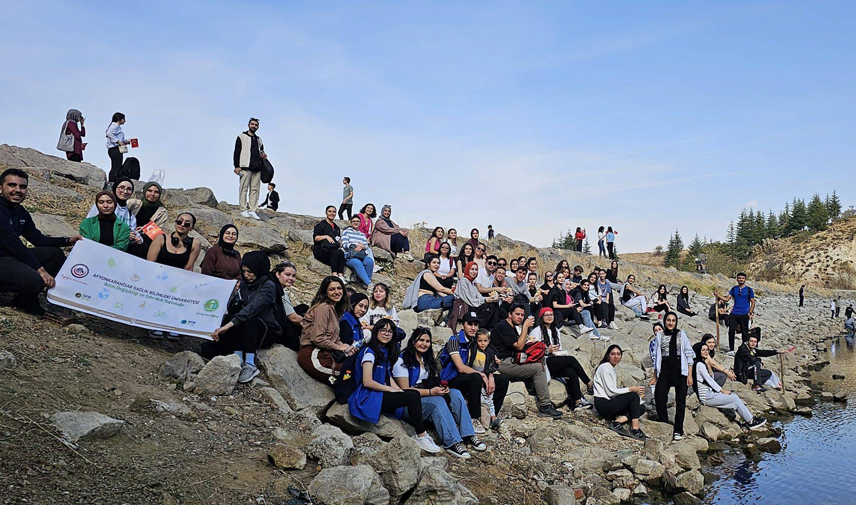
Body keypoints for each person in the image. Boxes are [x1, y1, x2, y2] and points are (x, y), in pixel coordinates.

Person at [348, 319, 442, 454]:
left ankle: (422, 434)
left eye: (390, 331)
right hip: (367, 396)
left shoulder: (384, 351)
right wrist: (390, 389)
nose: (386, 334)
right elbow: (367, 381)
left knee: (412, 393)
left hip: (378, 394)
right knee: (412, 397)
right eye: (383, 330)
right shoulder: (369, 352)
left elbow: (387, 375)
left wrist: (398, 389)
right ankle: (420, 435)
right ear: (376, 332)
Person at [393, 327, 486, 458]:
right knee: (437, 401)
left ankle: (468, 434)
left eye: (427, 341)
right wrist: (431, 392)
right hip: (408, 404)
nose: (424, 344)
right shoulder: (402, 360)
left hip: (425, 395)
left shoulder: (426, 359)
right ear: (413, 341)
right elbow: (404, 389)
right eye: (421, 340)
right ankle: (452, 442)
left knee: (455, 393)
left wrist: (441, 389)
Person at [0, 169, 81, 315]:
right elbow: (15, 245)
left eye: (22, 187)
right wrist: (41, 271)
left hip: (10, 257)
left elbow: (37, 238)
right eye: (12, 185)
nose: (18, 190)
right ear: (1, 188)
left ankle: (24, 299)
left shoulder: (20, 211)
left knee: (54, 254)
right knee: (35, 280)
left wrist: (68, 241)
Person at [211, 251, 281, 383]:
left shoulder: (268, 286)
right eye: (244, 271)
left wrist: (228, 326)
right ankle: (238, 358)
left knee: (248, 321)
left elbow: (253, 308)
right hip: (243, 325)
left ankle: (250, 363)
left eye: (250, 271)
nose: (247, 275)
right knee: (234, 319)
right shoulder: (244, 284)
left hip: (264, 326)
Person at [439, 312, 510, 432]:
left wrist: (491, 375)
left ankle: (493, 417)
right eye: (470, 324)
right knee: (476, 378)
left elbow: (487, 359)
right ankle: (474, 418)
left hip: (469, 376)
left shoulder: (475, 341)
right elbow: (460, 367)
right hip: (452, 379)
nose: (473, 328)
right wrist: (482, 375)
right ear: (463, 325)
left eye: (475, 324)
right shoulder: (454, 340)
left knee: (503, 380)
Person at [491, 304, 563, 418]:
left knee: (540, 357)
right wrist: (525, 327)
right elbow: (519, 346)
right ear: (510, 315)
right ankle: (545, 406)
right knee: (538, 368)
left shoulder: (512, 326)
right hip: (502, 362)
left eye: (522, 315)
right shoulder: (503, 326)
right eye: (517, 314)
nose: (520, 317)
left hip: (512, 359)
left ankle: (533, 387)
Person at [529, 308, 594, 410]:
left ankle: (577, 402)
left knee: (571, 371)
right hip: (543, 362)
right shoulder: (536, 331)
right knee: (571, 360)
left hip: (555, 359)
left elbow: (559, 348)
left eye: (551, 315)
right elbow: (532, 352)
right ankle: (589, 384)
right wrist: (547, 351)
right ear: (542, 317)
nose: (550, 317)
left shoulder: (555, 331)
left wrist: (557, 351)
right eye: (547, 315)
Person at [694, 342, 767, 430]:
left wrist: (709, 366)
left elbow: (711, 377)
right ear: (698, 351)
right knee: (734, 398)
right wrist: (722, 390)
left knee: (733, 397)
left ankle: (749, 419)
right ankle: (751, 421)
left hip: (710, 393)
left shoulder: (702, 363)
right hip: (706, 396)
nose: (706, 352)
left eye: (707, 350)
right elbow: (710, 381)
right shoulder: (699, 365)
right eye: (703, 350)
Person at [298, 276, 353, 384]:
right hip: (314, 356)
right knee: (352, 373)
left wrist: (346, 348)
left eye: (339, 288)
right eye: (332, 289)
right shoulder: (323, 308)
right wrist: (338, 347)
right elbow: (317, 338)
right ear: (325, 292)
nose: (337, 292)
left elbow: (334, 338)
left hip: (325, 354)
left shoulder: (334, 310)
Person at [651, 312, 695, 441]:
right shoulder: (660, 335)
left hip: (679, 367)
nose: (670, 323)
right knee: (659, 396)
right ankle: (664, 423)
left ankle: (678, 429)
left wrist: (690, 374)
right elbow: (655, 357)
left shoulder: (682, 335)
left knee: (680, 400)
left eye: (673, 320)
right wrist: (655, 376)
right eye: (668, 320)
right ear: (665, 321)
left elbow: (688, 354)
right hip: (664, 367)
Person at [593, 345, 647, 440]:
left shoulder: (611, 368)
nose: (616, 357)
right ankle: (635, 429)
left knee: (641, 407)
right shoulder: (605, 367)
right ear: (608, 355)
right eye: (613, 354)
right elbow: (610, 392)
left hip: (609, 402)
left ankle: (617, 422)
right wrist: (631, 389)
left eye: (618, 354)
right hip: (603, 404)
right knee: (633, 396)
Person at [86, 178, 143, 250]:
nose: (125, 191)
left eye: (129, 189)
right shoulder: (102, 205)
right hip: (97, 246)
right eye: (122, 188)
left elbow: (132, 231)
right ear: (115, 188)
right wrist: (124, 235)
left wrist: (138, 238)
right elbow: (90, 226)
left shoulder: (130, 214)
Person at [467, 328, 503, 430]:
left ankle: (493, 418)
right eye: (480, 341)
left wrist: (495, 364)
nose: (483, 343)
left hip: (485, 377)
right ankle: (483, 419)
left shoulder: (490, 353)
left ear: (489, 341)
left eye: (485, 341)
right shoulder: (473, 350)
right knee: (484, 399)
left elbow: (490, 368)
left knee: (489, 398)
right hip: (475, 377)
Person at [233, 118, 266, 220]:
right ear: (248, 125)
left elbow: (262, 151)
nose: (254, 126)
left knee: (255, 189)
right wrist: (236, 166)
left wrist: (263, 155)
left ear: (258, 127)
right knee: (244, 188)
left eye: (256, 125)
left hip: (257, 168)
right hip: (245, 167)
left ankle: (252, 210)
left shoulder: (259, 139)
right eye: (252, 124)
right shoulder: (241, 137)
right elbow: (236, 152)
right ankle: (243, 209)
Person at [715, 273, 755, 355]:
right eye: (739, 278)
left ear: (745, 279)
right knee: (731, 331)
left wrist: (750, 312)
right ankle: (731, 350)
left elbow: (753, 302)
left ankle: (745, 349)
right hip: (734, 313)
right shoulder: (734, 289)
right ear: (737, 279)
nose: (741, 279)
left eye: (742, 278)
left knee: (745, 332)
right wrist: (718, 295)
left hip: (744, 314)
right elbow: (727, 299)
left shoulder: (749, 290)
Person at [452, 261, 501, 331]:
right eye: (472, 269)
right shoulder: (463, 281)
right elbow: (469, 299)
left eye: (476, 270)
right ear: (467, 270)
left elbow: (480, 297)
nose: (474, 272)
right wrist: (486, 300)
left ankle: (492, 328)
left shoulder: (472, 283)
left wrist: (491, 298)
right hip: (466, 305)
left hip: (473, 305)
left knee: (494, 304)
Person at [271, 261, 308, 351]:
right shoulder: (279, 291)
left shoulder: (277, 287)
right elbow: (293, 318)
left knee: (303, 308)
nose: (291, 278)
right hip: (277, 326)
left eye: (293, 276)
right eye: (287, 275)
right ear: (277, 274)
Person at [126, 181, 168, 258]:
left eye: (156, 192)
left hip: (145, 241)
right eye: (150, 191)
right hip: (126, 234)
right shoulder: (132, 203)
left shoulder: (162, 212)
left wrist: (143, 230)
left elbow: (158, 231)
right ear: (145, 191)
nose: (152, 194)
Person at [312, 206, 347, 282]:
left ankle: (340, 275)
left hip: (333, 249)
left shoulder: (336, 228)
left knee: (340, 253)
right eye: (330, 211)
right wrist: (325, 236)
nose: (332, 213)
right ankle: (334, 275)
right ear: (326, 212)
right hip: (321, 249)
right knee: (335, 253)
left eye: (333, 212)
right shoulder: (320, 225)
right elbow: (316, 238)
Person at [341, 215, 375, 288]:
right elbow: (345, 244)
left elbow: (365, 245)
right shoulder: (347, 232)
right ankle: (369, 284)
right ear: (351, 223)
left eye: (357, 221)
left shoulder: (362, 234)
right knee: (357, 263)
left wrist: (362, 246)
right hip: (349, 255)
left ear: (360, 223)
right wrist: (356, 246)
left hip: (360, 255)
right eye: (354, 221)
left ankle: (366, 283)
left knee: (369, 261)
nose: (356, 223)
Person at [105, 112, 129, 182]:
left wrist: (125, 141)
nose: (125, 121)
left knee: (117, 166)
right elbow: (109, 133)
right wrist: (118, 142)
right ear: (120, 119)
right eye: (124, 119)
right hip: (114, 149)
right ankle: (112, 181)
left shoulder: (117, 127)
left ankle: (115, 180)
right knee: (116, 166)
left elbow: (118, 138)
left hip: (115, 148)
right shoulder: (115, 125)